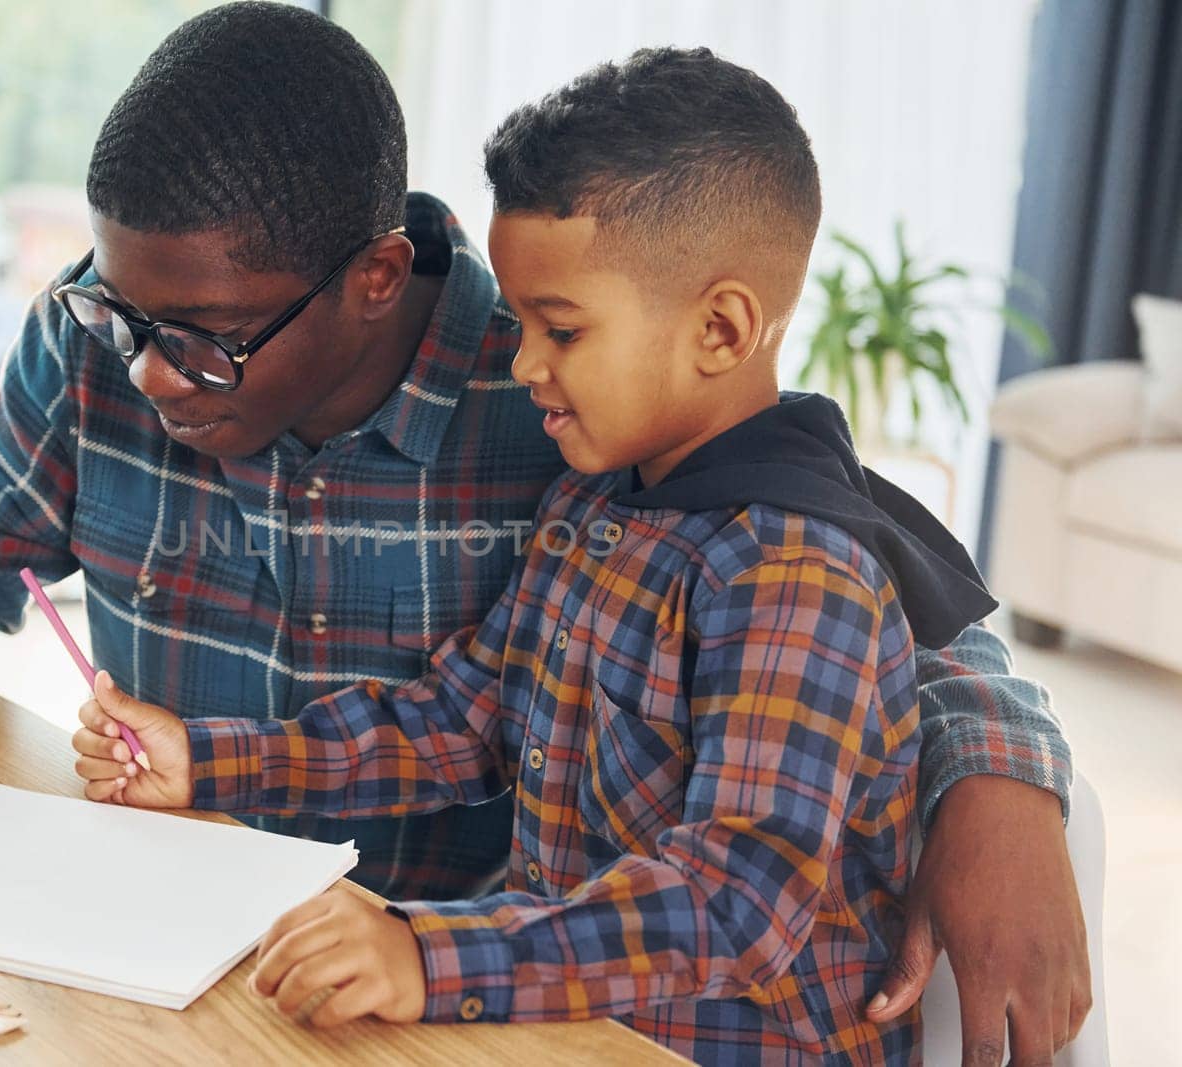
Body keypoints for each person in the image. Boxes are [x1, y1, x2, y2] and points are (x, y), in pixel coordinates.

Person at [0, 4, 1087, 1060]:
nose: (141, 373)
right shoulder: (114, 340)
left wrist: (1002, 778)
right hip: (228, 959)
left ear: (376, 279)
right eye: (119, 317)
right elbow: (465, 705)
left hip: (491, 992)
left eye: (203, 340)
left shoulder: (565, 411)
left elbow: (869, 577)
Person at [68, 44, 1011, 1061]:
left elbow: (734, 902)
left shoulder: (794, 574)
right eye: (519, 325)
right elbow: (459, 721)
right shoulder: (593, 502)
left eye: (560, 331)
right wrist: (205, 759)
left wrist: (428, 953)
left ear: (721, 327)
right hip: (559, 1029)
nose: (522, 366)